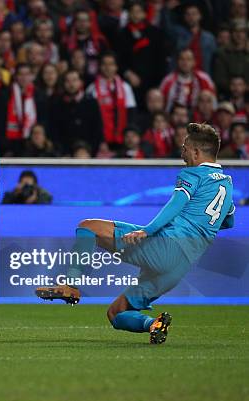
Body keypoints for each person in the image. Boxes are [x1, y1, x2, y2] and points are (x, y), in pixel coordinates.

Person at [37, 123, 234, 344]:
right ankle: (154, 324)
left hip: (166, 246)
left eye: (185, 147)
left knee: (88, 226)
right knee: (116, 313)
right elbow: (228, 221)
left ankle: (71, 285)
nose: (182, 152)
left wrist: (147, 231)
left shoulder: (193, 173)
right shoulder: (226, 184)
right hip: (180, 268)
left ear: (197, 152)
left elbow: (176, 204)